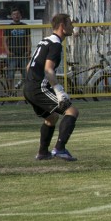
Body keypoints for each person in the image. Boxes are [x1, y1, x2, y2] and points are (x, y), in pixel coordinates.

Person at [22, 13, 80, 161]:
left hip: (29, 87)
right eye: (70, 24)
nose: (72, 27)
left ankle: (42, 153)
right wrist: (58, 91)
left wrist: (32, 84)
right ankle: (60, 149)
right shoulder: (55, 44)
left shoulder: (45, 41)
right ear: (62, 26)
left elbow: (29, 66)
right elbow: (48, 69)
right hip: (38, 88)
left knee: (51, 117)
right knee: (71, 111)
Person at [5, 8, 29, 89]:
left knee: (26, 75)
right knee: (10, 74)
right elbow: (4, 41)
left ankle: (27, 92)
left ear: (21, 16)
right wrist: (8, 52)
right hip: (13, 55)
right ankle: (11, 91)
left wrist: (28, 51)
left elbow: (28, 40)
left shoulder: (25, 26)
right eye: (14, 14)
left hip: (23, 54)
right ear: (11, 16)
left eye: (18, 14)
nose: (16, 16)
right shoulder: (9, 27)